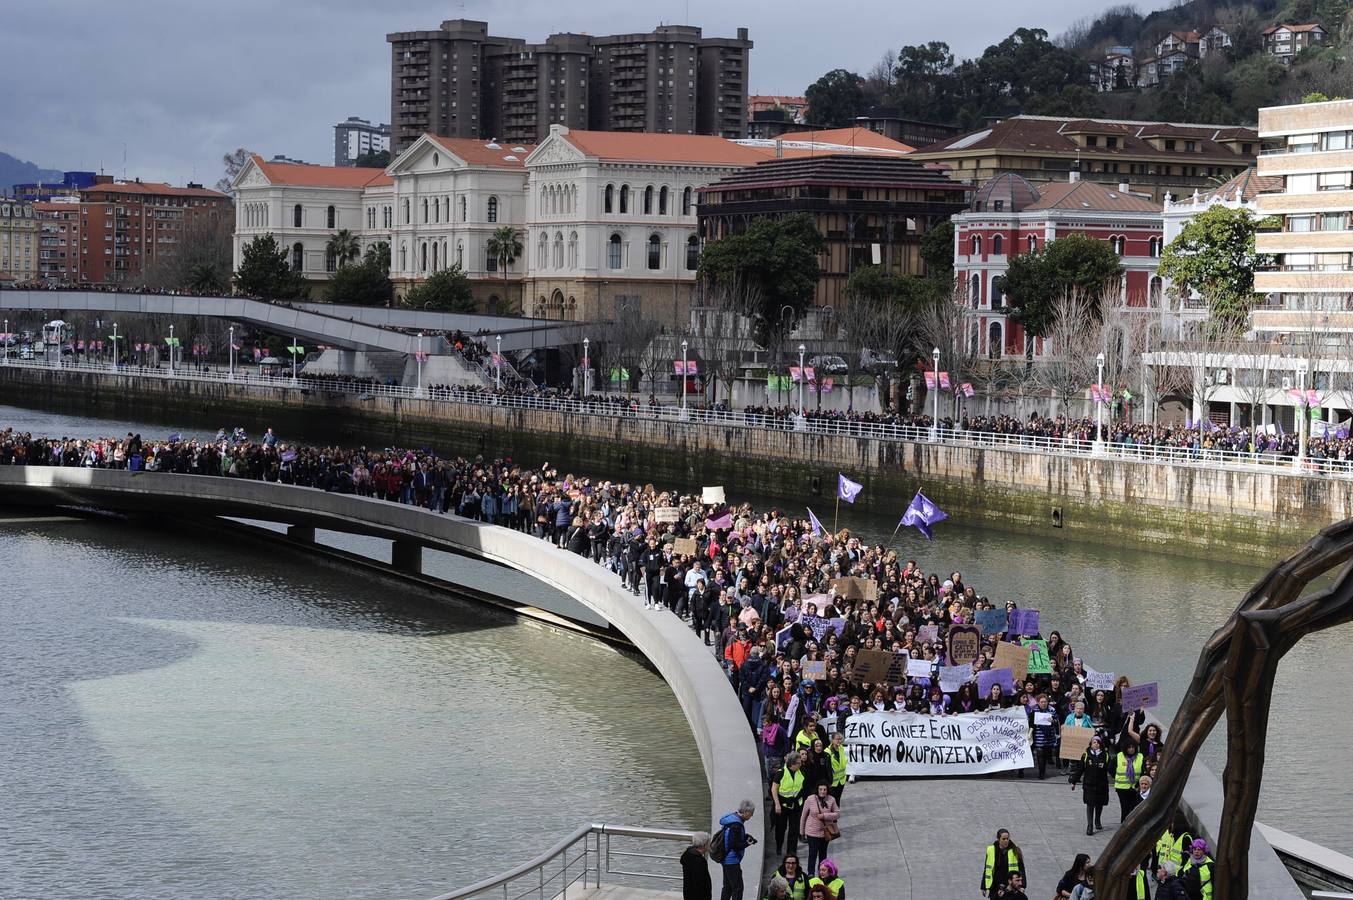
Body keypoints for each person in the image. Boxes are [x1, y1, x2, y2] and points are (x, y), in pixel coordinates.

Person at [717, 800, 758, 900]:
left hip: (726, 859)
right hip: (731, 861)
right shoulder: (736, 825)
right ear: (745, 812)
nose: (751, 816)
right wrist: (747, 843)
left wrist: (745, 836)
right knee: (738, 888)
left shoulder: (732, 819)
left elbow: (732, 838)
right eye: (751, 813)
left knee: (727, 887)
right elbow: (734, 845)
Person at [1070, 734, 1110, 834]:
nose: (1096, 744)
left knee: (1099, 804)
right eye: (1094, 742)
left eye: (1098, 743)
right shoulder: (1086, 755)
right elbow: (1080, 769)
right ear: (1091, 744)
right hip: (1089, 784)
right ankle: (1090, 825)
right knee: (1090, 804)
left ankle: (1097, 820)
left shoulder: (1105, 755)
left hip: (1101, 784)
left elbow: (1110, 769)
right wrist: (1074, 781)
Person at [798, 782, 840, 877]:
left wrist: (824, 815)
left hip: (825, 833)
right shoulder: (810, 799)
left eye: (824, 789)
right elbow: (803, 816)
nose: (822, 791)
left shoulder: (831, 800)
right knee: (812, 853)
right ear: (817, 790)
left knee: (823, 854)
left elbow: (837, 813)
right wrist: (802, 832)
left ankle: (822, 873)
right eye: (820, 789)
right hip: (812, 832)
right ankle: (811, 874)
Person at [772, 753, 806, 856]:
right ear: (792, 764)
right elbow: (774, 789)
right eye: (799, 763)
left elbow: (802, 787)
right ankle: (779, 846)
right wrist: (777, 804)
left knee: (794, 830)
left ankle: (791, 851)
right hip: (783, 806)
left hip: (796, 805)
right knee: (781, 828)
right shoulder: (781, 773)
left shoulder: (801, 772)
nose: (801, 764)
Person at [981, 829, 1025, 897]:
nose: (1006, 841)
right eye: (1003, 839)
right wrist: (983, 886)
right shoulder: (991, 850)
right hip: (995, 886)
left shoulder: (1015, 851)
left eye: (1007, 839)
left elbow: (1022, 869)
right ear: (998, 839)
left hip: (1010, 885)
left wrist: (1022, 886)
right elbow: (987, 869)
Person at [1113, 741, 1144, 822]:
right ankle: (1124, 823)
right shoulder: (1119, 756)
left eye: (1133, 747)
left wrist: (1138, 785)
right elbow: (1111, 768)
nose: (1131, 749)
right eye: (1129, 747)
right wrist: (1116, 777)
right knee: (1125, 807)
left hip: (1135, 787)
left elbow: (1143, 771)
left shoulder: (1140, 757)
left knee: (1133, 807)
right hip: (1122, 787)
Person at [682, 831, 712, 900]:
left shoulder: (688, 855)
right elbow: (700, 883)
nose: (709, 845)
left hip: (688, 893)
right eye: (708, 843)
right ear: (704, 844)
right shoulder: (699, 861)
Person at [826, 731, 848, 806]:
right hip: (832, 782)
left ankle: (836, 814)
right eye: (837, 739)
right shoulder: (827, 752)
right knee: (831, 801)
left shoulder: (841, 748)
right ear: (832, 740)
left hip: (841, 780)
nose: (839, 741)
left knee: (837, 799)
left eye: (840, 739)